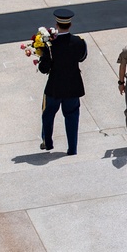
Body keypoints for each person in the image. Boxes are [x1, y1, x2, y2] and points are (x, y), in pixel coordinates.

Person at [38, 9, 88, 156]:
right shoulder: (79, 42)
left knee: (48, 115)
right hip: (73, 87)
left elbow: (44, 68)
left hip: (54, 86)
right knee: (72, 117)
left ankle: (48, 143)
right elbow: (82, 57)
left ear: (56, 24)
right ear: (70, 25)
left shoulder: (50, 45)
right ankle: (72, 149)